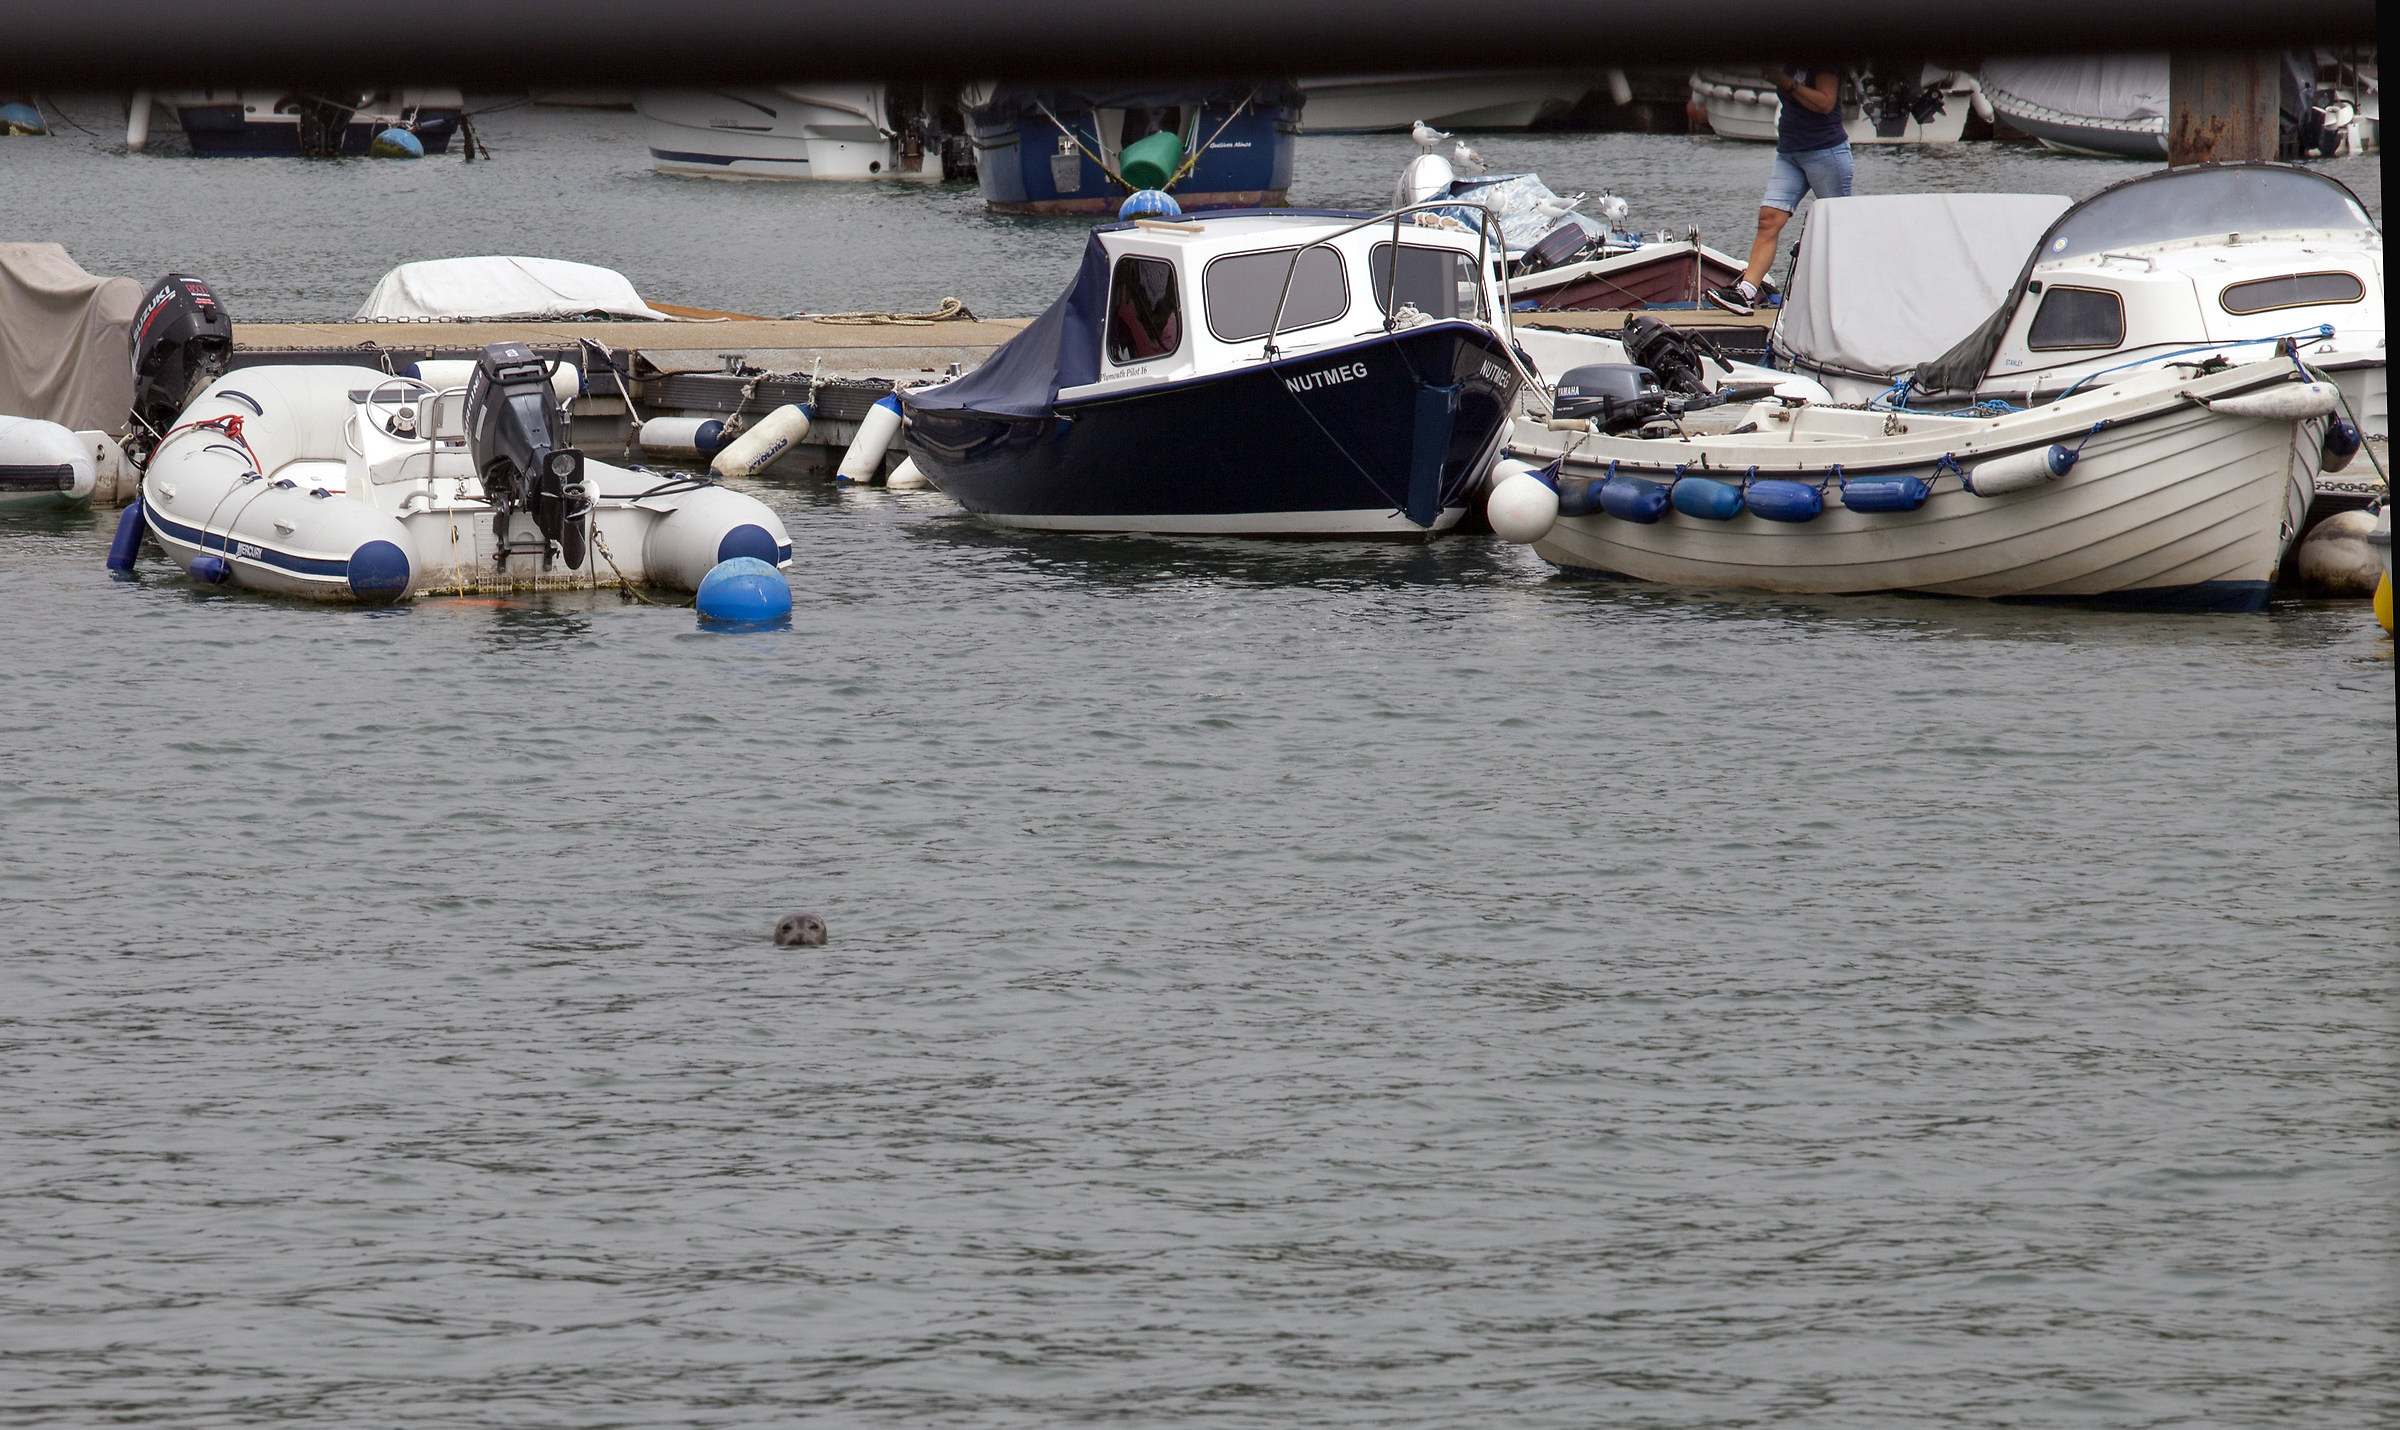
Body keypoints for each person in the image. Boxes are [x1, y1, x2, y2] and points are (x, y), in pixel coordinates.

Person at [1705, 63, 1851, 316]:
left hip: (1825, 152)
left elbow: (1825, 103)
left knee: (1838, 226)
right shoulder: (1786, 59)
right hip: (1790, 153)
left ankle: (1849, 292)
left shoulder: (1823, 54)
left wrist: (1786, 82)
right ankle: (1746, 292)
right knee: (1768, 219)